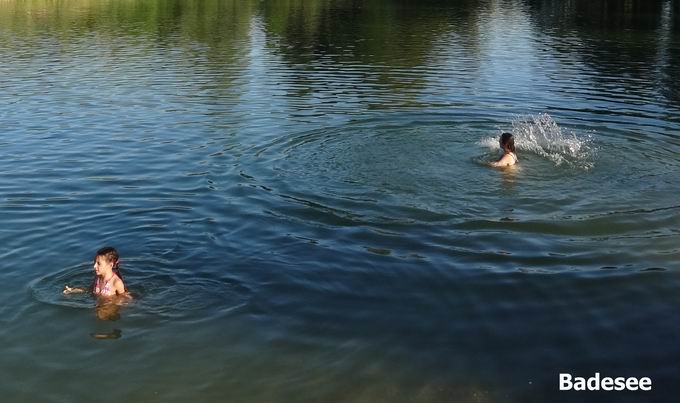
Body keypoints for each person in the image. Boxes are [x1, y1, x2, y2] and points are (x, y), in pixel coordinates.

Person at [63, 247, 128, 298]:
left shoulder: (116, 283)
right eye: (95, 262)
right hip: (98, 308)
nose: (94, 266)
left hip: (110, 312)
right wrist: (73, 290)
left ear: (110, 265)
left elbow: (123, 299)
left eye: (98, 263)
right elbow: (89, 290)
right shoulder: (98, 277)